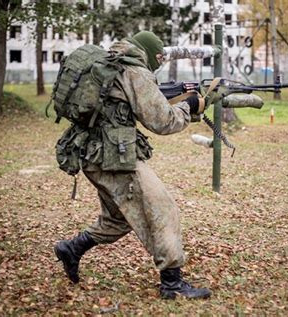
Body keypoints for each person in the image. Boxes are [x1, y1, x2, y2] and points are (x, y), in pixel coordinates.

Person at [54, 31, 211, 300]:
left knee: (118, 218)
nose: (159, 62)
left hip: (91, 154)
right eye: (159, 57)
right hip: (113, 158)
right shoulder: (135, 72)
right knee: (163, 208)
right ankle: (172, 285)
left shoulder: (114, 63)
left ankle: (72, 249)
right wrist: (190, 106)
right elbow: (163, 121)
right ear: (149, 53)